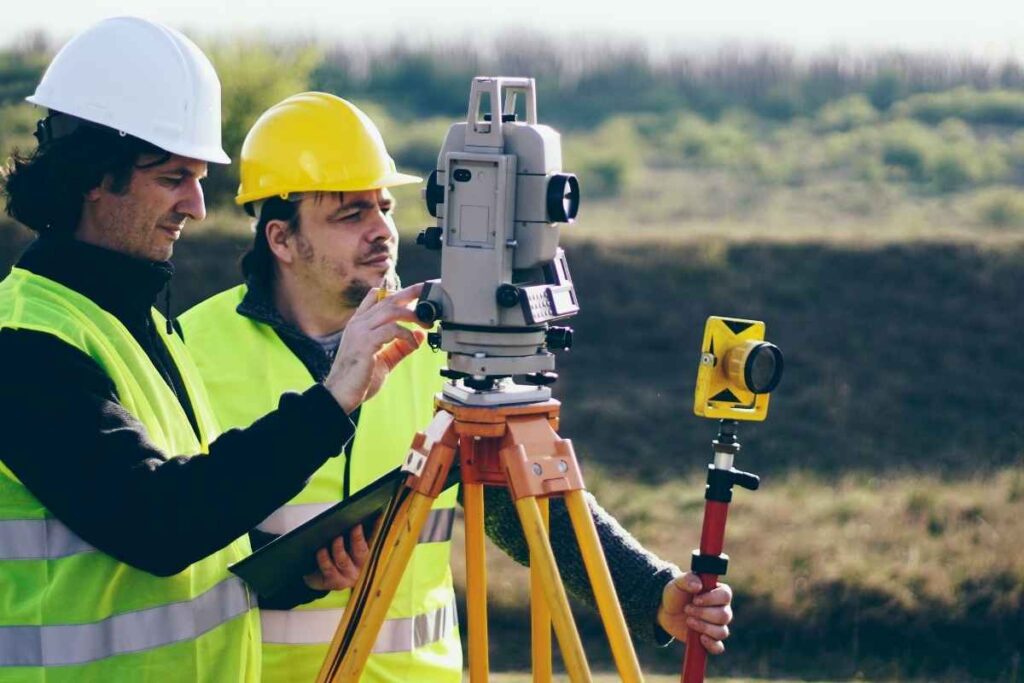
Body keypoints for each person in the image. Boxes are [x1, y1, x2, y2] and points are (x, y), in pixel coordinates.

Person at [181, 92, 734, 682]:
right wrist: (287, 570)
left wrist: (649, 591)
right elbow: (168, 534)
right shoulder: (191, 350)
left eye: (384, 208)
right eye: (350, 215)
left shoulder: (444, 342)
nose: (381, 231)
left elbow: (517, 507)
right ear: (281, 240)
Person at [0, 19, 423, 682]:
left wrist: (291, 571)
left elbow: (189, 543)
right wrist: (331, 400)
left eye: (198, 178)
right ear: (93, 178)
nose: (197, 205)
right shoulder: (25, 345)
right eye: (174, 177)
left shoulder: (140, 325)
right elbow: (155, 523)